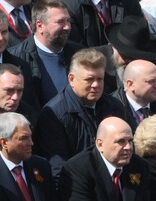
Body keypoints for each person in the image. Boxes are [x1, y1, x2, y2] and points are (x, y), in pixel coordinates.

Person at [34, 49, 125, 180]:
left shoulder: (114, 106)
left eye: (100, 79)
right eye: (89, 79)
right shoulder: (54, 114)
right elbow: (58, 167)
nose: (96, 85)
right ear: (71, 79)